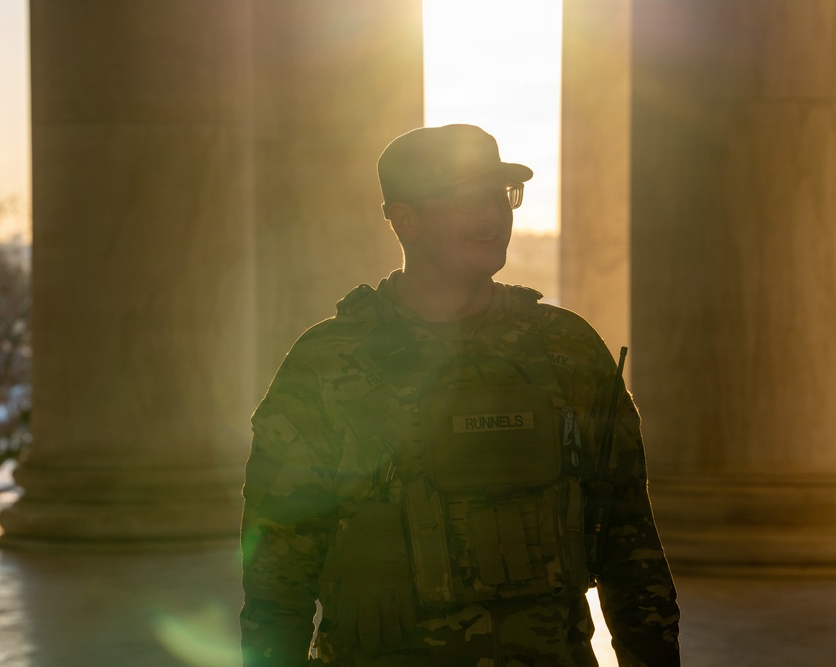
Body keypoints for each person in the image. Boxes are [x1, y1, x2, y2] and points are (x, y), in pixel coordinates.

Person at [240, 124, 680, 666]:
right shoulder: (328, 362)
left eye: (502, 195)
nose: (494, 216)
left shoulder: (567, 349)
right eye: (468, 198)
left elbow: (629, 545)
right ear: (406, 219)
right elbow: (277, 572)